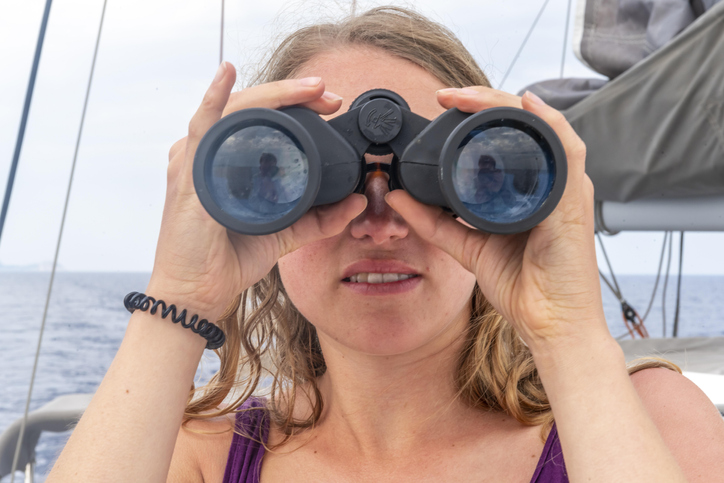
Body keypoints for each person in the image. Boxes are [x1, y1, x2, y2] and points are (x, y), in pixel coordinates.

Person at [47, 7, 724, 483]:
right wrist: (181, 294)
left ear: (507, 196)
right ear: (251, 211)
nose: (381, 221)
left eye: (441, 179)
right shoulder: (198, 452)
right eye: (304, 179)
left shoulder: (652, 419)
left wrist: (569, 331)